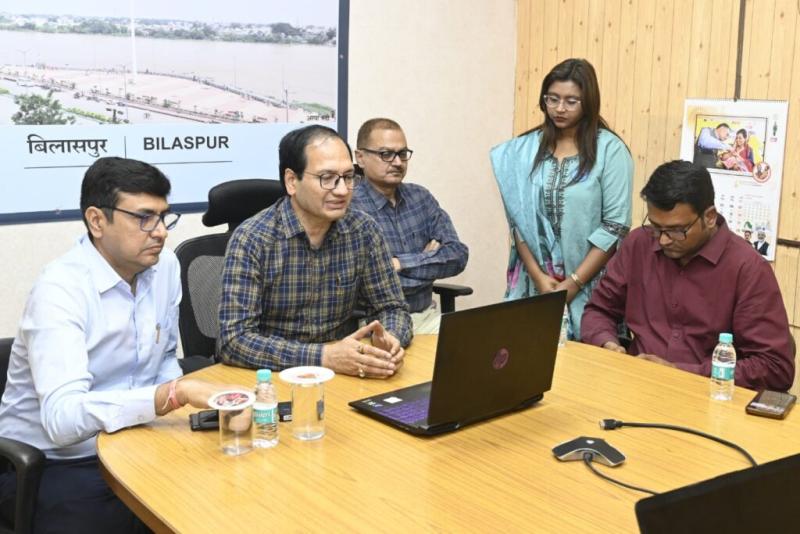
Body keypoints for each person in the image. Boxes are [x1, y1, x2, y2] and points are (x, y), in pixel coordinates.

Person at [0, 157, 225, 533]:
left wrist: (183, 414)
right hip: (55, 463)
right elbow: (62, 420)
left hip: (136, 441)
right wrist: (168, 396)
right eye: (144, 218)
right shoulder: (60, 291)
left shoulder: (165, 267)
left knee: (218, 493)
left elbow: (164, 360)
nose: (160, 232)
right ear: (97, 221)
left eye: (163, 217)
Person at [217, 125, 412, 378]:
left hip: (345, 374)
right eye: (327, 178)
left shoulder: (363, 231)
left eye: (348, 177)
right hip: (272, 377)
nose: (342, 190)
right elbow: (234, 341)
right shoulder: (253, 239)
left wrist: (389, 338)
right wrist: (323, 357)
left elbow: (392, 308)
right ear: (292, 181)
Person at [581, 160, 794, 391]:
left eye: (676, 231)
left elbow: (775, 367)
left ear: (709, 217)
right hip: (637, 387)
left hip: (710, 398)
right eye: (656, 227)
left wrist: (680, 373)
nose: (663, 240)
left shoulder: (747, 268)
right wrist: (608, 344)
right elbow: (598, 310)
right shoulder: (639, 245)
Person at [490, 58, 633, 339]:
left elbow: (615, 226)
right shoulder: (524, 150)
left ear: (588, 102)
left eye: (571, 101)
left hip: (589, 284)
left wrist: (574, 283)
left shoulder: (610, 150)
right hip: (534, 285)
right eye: (552, 99)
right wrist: (539, 278)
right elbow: (518, 219)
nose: (559, 108)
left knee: (586, 361)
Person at [350, 118, 468, 334]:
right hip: (375, 325)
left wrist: (399, 263)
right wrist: (427, 262)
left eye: (402, 153)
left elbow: (458, 256)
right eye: (386, 154)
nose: (397, 162)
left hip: (427, 316)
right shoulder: (348, 206)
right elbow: (362, 284)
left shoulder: (421, 198)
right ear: (360, 157)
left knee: (484, 341)